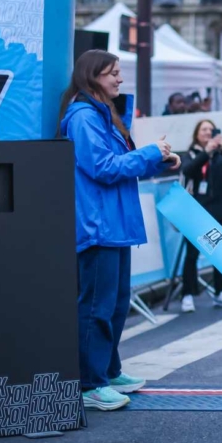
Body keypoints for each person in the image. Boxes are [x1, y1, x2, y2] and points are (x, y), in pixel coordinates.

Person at [59, 50, 181, 411]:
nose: (120, 79)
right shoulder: (83, 116)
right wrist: (150, 153)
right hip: (98, 225)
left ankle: (108, 372)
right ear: (93, 75)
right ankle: (90, 383)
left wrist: (157, 160)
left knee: (114, 304)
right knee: (98, 307)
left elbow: (120, 167)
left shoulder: (102, 115)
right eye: (113, 73)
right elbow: (103, 167)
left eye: (119, 73)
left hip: (113, 223)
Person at [180, 119, 222, 312]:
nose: (208, 132)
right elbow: (188, 170)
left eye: (210, 129)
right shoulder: (191, 153)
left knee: (221, 253)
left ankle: (220, 292)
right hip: (197, 210)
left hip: (221, 208)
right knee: (192, 254)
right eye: (203, 129)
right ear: (197, 134)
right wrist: (206, 152)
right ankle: (188, 294)